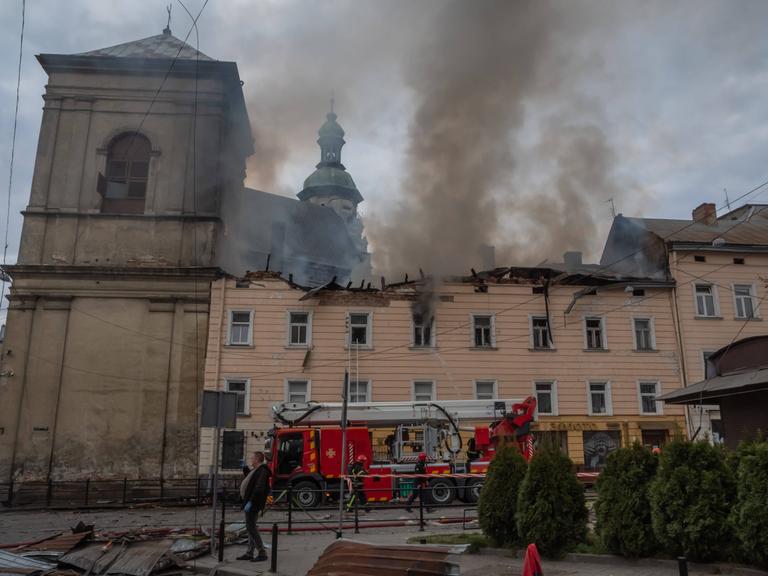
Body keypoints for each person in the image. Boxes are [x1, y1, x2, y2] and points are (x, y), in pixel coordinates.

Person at [237, 451, 271, 562]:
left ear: (257, 459)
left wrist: (251, 502)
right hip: (250, 502)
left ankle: (262, 552)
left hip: (254, 503)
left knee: (251, 527)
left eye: (252, 458)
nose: (251, 460)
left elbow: (259, 488)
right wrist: (245, 468)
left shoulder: (262, 471)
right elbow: (251, 479)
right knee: (250, 527)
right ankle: (249, 553)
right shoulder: (256, 470)